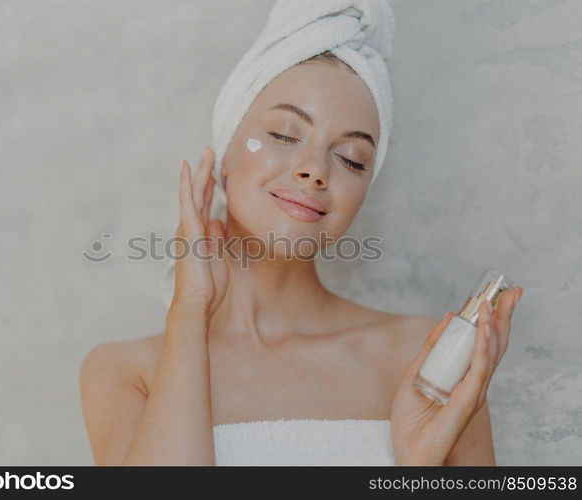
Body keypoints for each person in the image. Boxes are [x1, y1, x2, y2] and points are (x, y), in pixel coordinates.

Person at [79, 2, 524, 466]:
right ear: (224, 151)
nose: (314, 170)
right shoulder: (126, 372)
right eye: (285, 134)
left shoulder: (425, 361)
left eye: (351, 158)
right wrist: (189, 316)